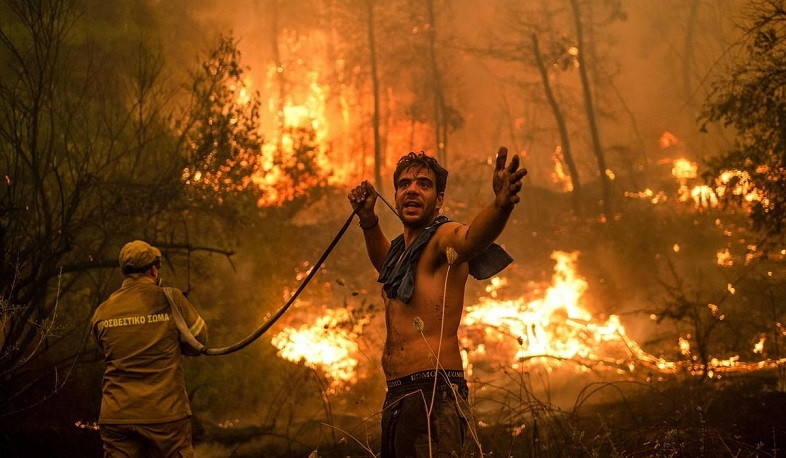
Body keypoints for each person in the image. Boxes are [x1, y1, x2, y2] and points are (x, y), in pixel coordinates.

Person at [348, 148, 526, 456]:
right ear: (396, 194)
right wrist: (368, 220)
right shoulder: (400, 254)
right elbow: (384, 264)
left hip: (434, 392)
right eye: (404, 184)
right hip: (398, 395)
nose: (412, 189)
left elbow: (470, 239)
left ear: (439, 199)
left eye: (424, 184)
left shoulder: (442, 238)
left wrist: (500, 205)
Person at [91, 240, 207, 457]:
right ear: (153, 270)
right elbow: (199, 341)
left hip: (117, 416)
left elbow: (105, 351)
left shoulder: (102, 311)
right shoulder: (171, 299)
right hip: (166, 417)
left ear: (124, 272)